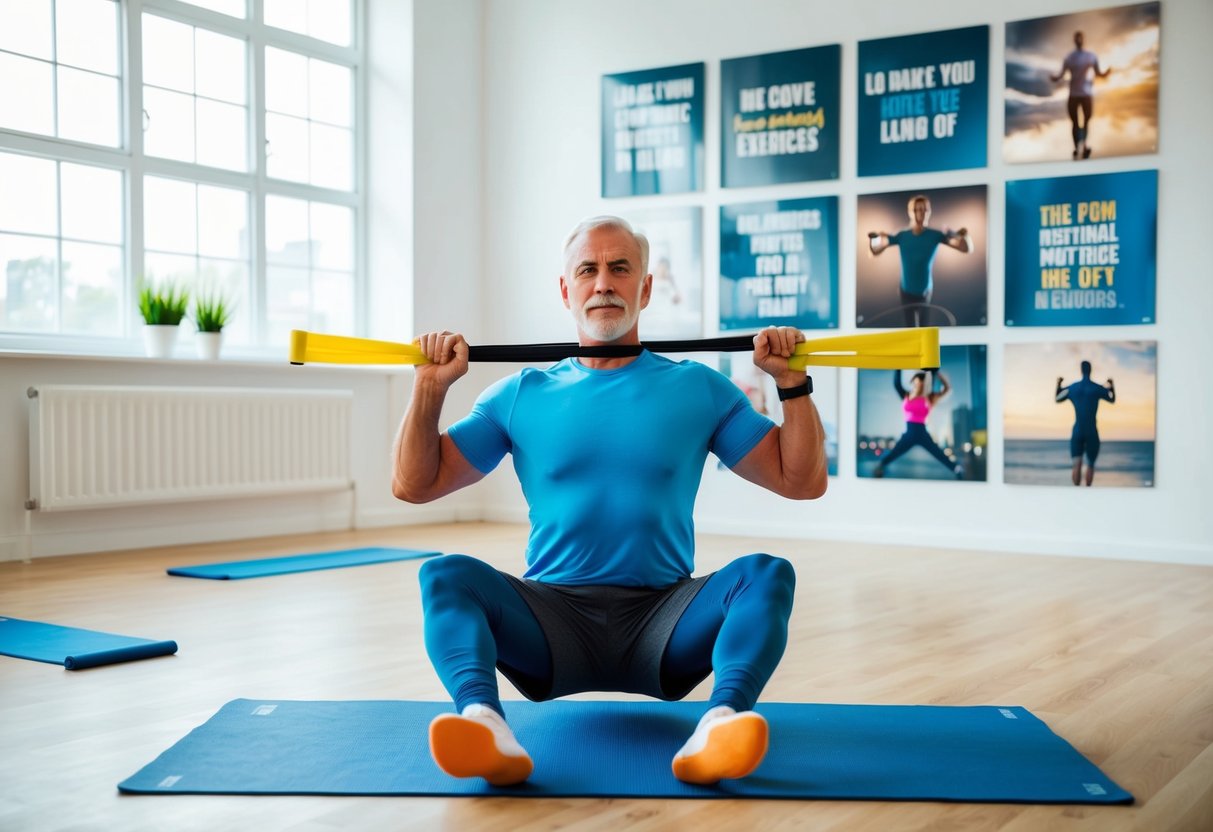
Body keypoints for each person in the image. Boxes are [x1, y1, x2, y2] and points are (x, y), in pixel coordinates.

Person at [392, 216, 828, 787]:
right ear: (566, 289)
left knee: (767, 575)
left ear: (644, 288)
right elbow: (415, 484)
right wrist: (429, 389)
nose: (604, 283)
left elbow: (800, 481)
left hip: (664, 623)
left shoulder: (697, 387)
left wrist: (792, 386)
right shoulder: (521, 394)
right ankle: (482, 723)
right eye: (588, 270)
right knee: (445, 575)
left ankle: (722, 722)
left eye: (620, 268)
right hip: (552, 624)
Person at [867, 195, 972, 327]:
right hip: (905, 291)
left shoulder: (936, 235)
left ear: (929, 212)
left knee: (925, 329)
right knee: (910, 330)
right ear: (911, 212)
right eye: (916, 210)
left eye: (924, 210)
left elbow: (965, 248)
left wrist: (962, 235)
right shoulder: (902, 235)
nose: (920, 213)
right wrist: (873, 240)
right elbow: (875, 251)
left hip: (925, 291)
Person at [872, 369, 964, 480]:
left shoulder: (929, 398)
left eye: (921, 383)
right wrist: (899, 367)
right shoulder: (906, 395)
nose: (918, 385)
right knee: (894, 453)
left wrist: (938, 374)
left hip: (923, 433)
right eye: (916, 383)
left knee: (938, 453)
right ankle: (880, 466)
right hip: (909, 434)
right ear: (913, 383)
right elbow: (897, 384)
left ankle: (956, 469)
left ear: (924, 385)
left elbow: (946, 389)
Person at [1051, 31, 1111, 160]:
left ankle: (1084, 145)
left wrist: (1106, 73)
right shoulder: (1069, 57)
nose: (1079, 40)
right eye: (1077, 38)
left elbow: (1099, 73)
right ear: (1074, 40)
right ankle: (1076, 147)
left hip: (1086, 94)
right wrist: (1054, 78)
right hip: (1073, 94)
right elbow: (1060, 75)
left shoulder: (1090, 56)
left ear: (1083, 40)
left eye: (1080, 38)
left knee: (1086, 120)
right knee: (1075, 122)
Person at [1056, 360, 1115, 486]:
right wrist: (1112, 385)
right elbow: (1112, 399)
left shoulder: (1073, 387)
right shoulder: (1097, 388)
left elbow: (1058, 398)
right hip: (1091, 430)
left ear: (1081, 370)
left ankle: (1077, 492)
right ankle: (1087, 492)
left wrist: (1058, 384)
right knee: (1091, 465)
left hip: (1078, 429)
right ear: (1091, 370)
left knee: (1076, 464)